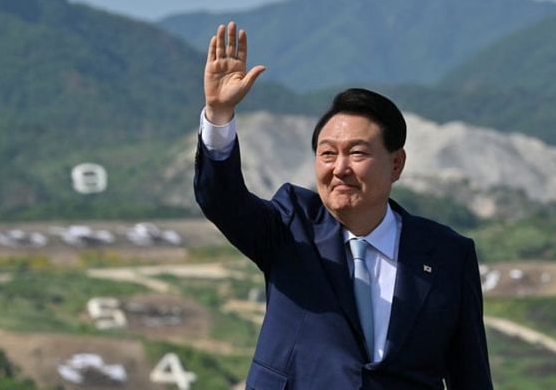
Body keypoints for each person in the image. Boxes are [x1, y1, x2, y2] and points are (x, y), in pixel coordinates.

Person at [194, 21, 493, 390]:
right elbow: (222, 200)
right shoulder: (291, 227)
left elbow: (470, 373)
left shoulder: (448, 253)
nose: (339, 168)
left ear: (396, 163)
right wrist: (219, 116)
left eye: (357, 153)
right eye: (327, 154)